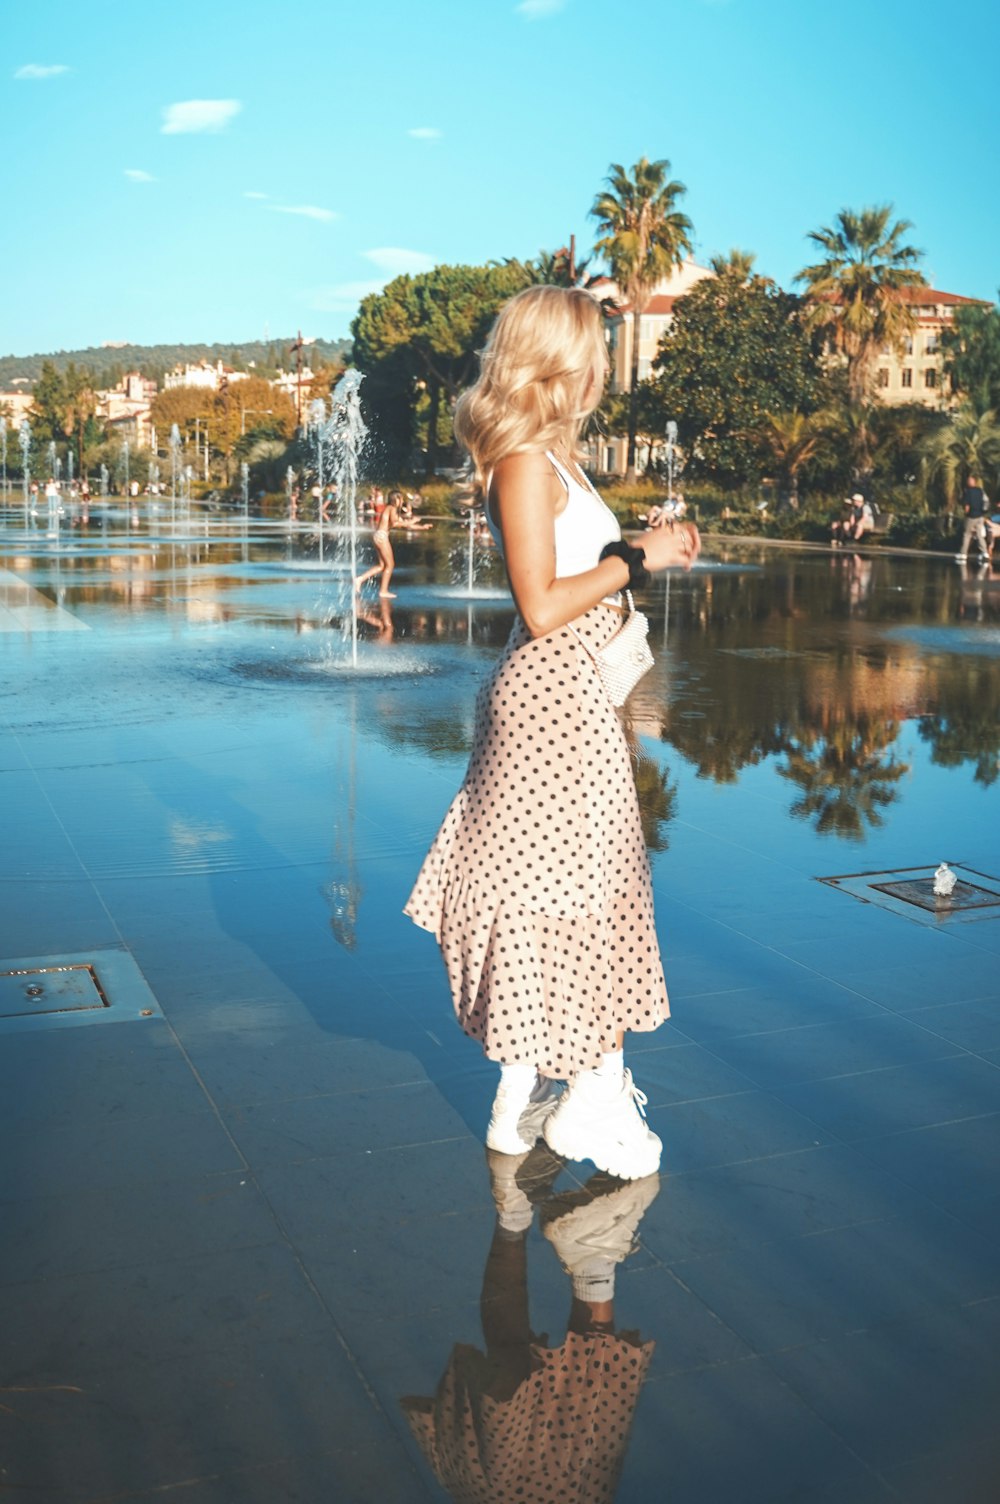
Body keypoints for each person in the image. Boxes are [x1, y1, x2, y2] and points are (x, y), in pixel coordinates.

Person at [404, 284, 700, 1181]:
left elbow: (572, 580)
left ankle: (516, 1103)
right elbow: (539, 606)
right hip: (554, 697)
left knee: (548, 880)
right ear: (559, 361)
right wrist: (639, 558)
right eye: (597, 350)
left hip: (568, 688)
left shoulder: (553, 461)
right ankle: (595, 1100)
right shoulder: (526, 463)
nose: (607, 367)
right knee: (587, 883)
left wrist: (633, 555)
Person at [354, 487, 401, 597]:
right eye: (400, 499)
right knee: (390, 565)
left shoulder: (388, 508)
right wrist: (409, 523)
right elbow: (394, 523)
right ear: (395, 499)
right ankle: (383, 591)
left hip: (378, 536)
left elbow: (396, 522)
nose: (401, 501)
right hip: (382, 537)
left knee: (382, 565)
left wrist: (420, 526)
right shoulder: (392, 508)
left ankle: (359, 579)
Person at [956, 475, 990, 563]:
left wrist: (966, 514)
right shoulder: (980, 491)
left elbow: (967, 505)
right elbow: (986, 501)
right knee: (979, 534)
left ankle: (963, 553)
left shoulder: (968, 492)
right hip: (980, 516)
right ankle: (985, 553)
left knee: (967, 534)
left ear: (972, 481)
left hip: (972, 516)